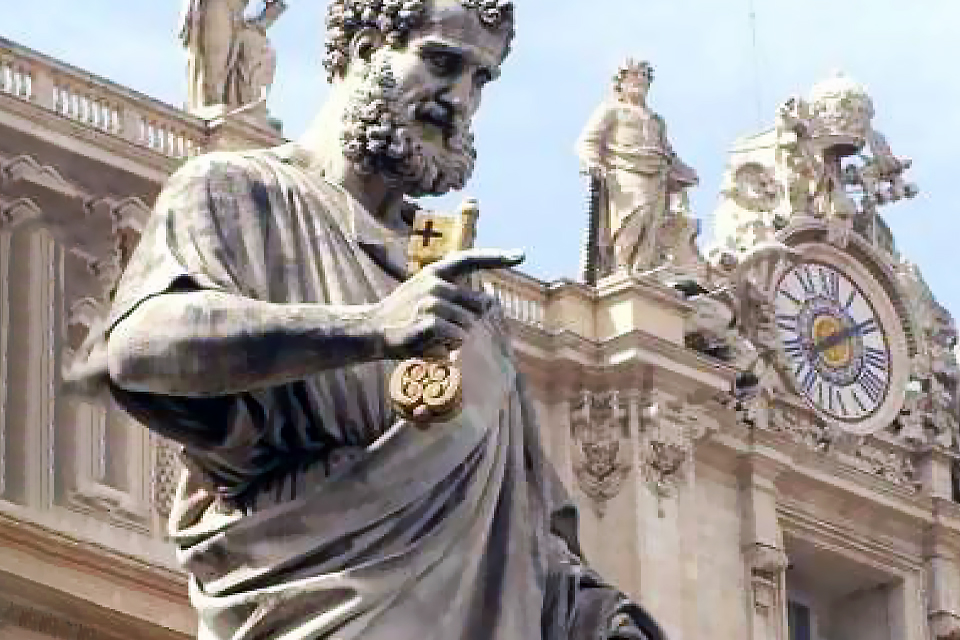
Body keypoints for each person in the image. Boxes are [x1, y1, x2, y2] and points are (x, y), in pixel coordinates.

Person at [67, 1, 666, 638]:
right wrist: (370, 328)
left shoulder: (469, 306)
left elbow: (531, 541)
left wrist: (602, 620)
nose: (459, 99)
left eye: (480, 80)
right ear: (364, 50)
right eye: (442, 62)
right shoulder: (238, 193)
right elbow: (140, 346)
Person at [576, 59, 697, 276]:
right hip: (625, 170)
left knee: (652, 223)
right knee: (633, 215)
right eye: (635, 75)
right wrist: (592, 161)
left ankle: (641, 268)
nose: (641, 80)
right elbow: (588, 140)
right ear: (621, 81)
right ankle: (620, 267)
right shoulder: (612, 110)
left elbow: (667, 152)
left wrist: (684, 171)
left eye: (645, 76)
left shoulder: (656, 120)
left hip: (657, 175)